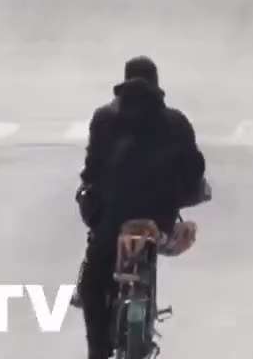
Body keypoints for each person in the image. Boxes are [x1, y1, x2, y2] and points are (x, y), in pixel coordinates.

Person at [75, 56, 206, 359]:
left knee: (93, 284)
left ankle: (98, 350)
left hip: (112, 221)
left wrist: (92, 196)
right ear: (157, 84)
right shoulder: (176, 121)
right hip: (157, 220)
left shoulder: (104, 118)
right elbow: (193, 170)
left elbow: (91, 169)